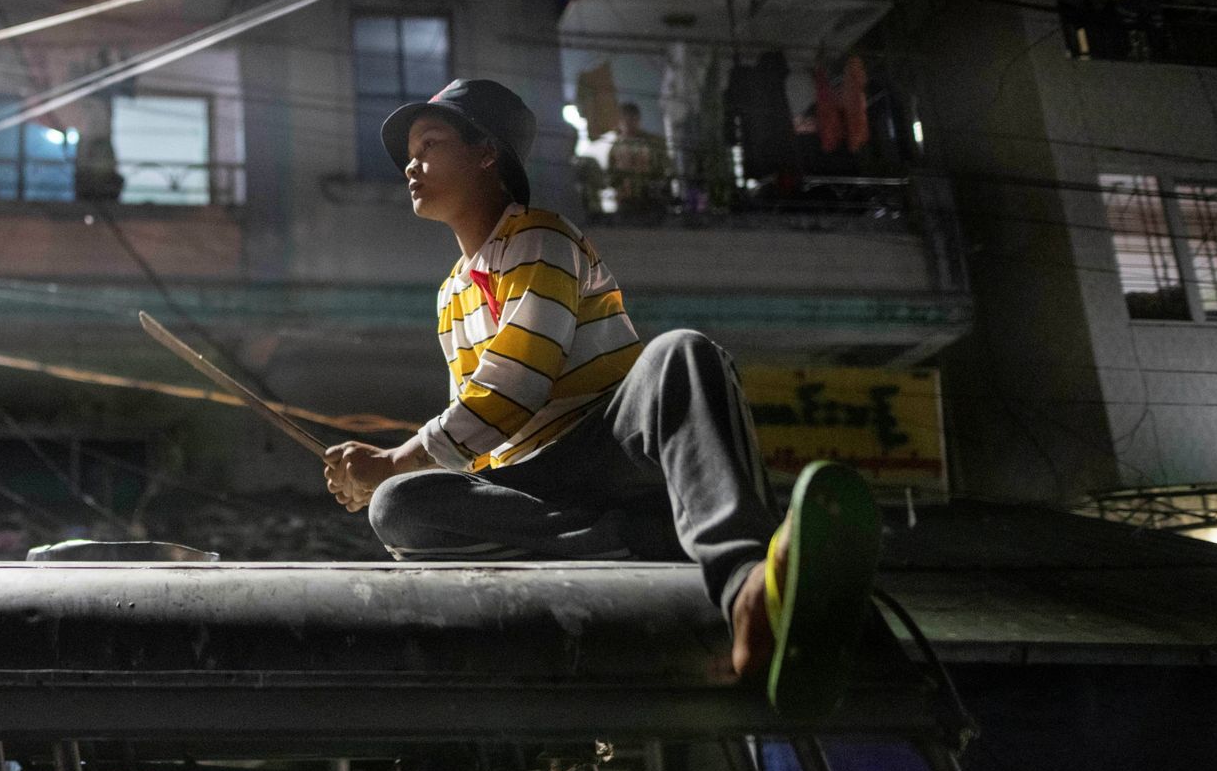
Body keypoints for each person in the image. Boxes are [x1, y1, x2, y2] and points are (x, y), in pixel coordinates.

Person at [320, 78, 879, 716]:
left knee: (681, 354)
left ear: (486, 155)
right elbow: (477, 438)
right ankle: (641, 537)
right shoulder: (450, 295)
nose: (411, 165)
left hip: (608, 446)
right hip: (536, 488)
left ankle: (749, 584)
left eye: (430, 143)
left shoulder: (541, 239)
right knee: (398, 509)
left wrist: (394, 459)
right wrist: (390, 479)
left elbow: (515, 386)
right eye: (410, 153)